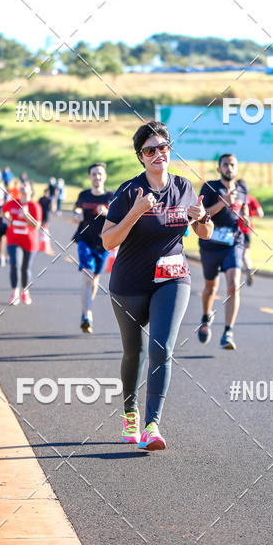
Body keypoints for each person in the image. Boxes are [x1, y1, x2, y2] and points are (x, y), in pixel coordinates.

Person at [101, 121, 212, 451]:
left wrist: (202, 218)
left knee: (161, 348)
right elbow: (108, 241)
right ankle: (130, 413)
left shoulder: (184, 187)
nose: (158, 154)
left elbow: (205, 234)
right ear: (141, 156)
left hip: (173, 278)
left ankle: (152, 425)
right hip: (130, 283)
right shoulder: (129, 192)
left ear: (169, 149)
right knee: (133, 352)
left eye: (162, 147)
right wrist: (135, 212)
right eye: (150, 150)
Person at [197, 154, 250, 350]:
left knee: (233, 286)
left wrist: (246, 219)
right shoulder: (210, 187)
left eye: (232, 164)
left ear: (237, 168)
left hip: (234, 243)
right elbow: (202, 215)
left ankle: (228, 332)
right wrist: (222, 203)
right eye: (226, 165)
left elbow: (244, 210)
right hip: (211, 244)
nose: (229, 168)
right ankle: (206, 317)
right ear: (219, 168)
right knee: (210, 288)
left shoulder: (242, 188)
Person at [71, 163, 115, 333]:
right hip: (85, 241)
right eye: (94, 174)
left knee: (95, 279)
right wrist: (77, 214)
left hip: (103, 243)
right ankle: (87, 315)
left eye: (100, 174)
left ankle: (86, 310)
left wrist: (106, 213)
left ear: (105, 176)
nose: (97, 177)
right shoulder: (84, 195)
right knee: (88, 276)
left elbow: (119, 218)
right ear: (90, 177)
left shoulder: (111, 197)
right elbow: (76, 209)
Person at [1, 184, 42, 305]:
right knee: (14, 265)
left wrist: (26, 215)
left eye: (26, 185)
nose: (23, 187)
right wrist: (7, 220)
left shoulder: (35, 206)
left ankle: (25, 291)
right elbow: (2, 211)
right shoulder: (13, 203)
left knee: (25, 268)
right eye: (22, 185)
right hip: (13, 239)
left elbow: (36, 226)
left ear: (31, 191)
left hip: (30, 241)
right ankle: (14, 293)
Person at [239, 190, 264, 286]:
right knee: (245, 255)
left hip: (236, 230)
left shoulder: (235, 198)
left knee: (234, 254)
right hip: (247, 230)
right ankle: (248, 269)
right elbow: (260, 213)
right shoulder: (251, 199)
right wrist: (249, 213)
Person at [37, 186, 54, 255]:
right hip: (42, 214)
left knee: (44, 228)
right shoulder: (43, 199)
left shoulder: (48, 199)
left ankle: (44, 244)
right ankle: (41, 244)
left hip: (45, 215)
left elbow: (51, 208)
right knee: (42, 229)